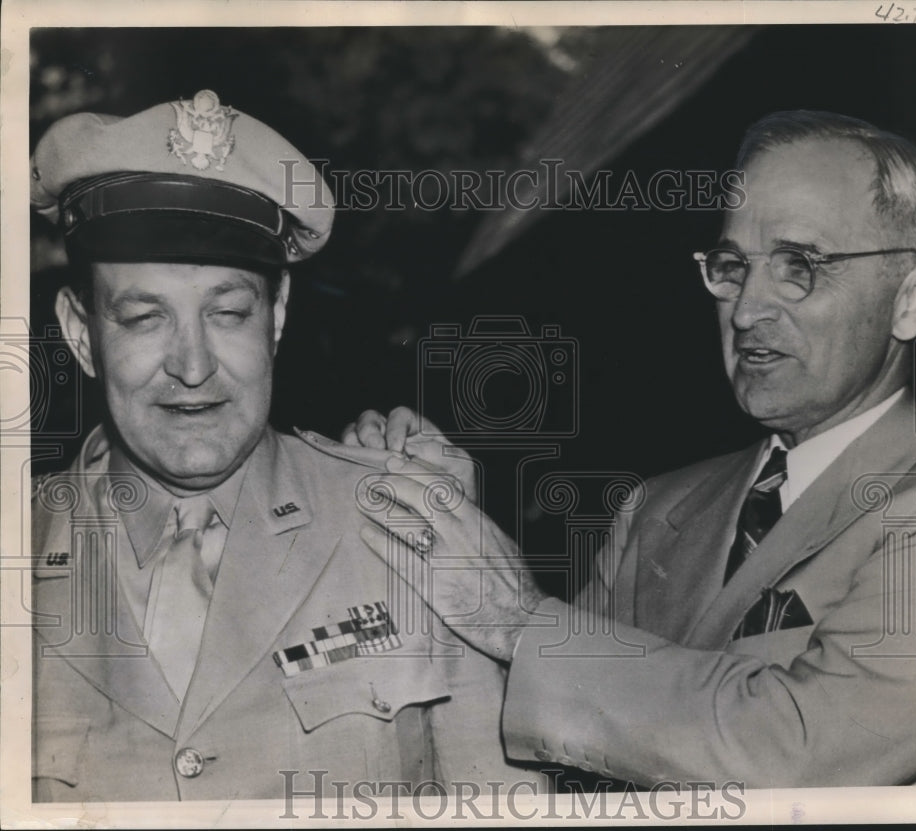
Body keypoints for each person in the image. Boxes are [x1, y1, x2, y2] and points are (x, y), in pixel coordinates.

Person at [345, 110, 916, 787]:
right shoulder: (657, 508)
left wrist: (518, 619)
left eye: (799, 266)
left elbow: (798, 755)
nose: (747, 310)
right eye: (731, 266)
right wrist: (444, 525)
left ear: (912, 299)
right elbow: (553, 762)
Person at [29, 90, 543, 801]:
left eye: (229, 312)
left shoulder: (408, 528)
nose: (193, 365)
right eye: (145, 317)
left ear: (276, 318)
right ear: (82, 333)